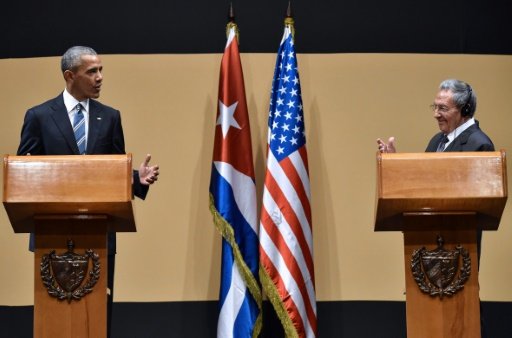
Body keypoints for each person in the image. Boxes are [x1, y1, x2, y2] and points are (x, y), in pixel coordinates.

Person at [16, 45, 159, 337]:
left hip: (99, 234)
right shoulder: (40, 116)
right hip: (51, 235)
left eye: (101, 70)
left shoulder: (110, 117)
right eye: (91, 71)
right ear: (70, 75)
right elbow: (25, 173)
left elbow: (110, 170)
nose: (100, 77)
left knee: (97, 320)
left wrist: (135, 179)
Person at [377, 78, 494, 338]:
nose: (436, 114)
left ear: (464, 110)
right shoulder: (437, 141)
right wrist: (395, 164)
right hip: (427, 243)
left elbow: (472, 200)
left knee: (464, 312)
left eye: (443, 108)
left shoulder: (479, 145)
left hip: (457, 248)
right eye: (435, 106)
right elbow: (425, 185)